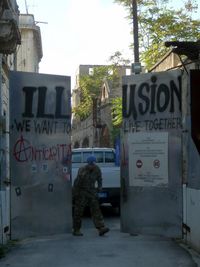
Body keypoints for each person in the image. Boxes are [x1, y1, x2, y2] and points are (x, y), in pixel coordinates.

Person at [72, 155, 110, 236]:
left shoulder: (97, 169)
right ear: (88, 164)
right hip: (81, 192)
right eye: (90, 164)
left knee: (96, 209)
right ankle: (76, 229)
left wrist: (100, 187)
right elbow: (76, 183)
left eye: (93, 164)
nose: (92, 166)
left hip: (92, 192)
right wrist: (76, 193)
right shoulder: (82, 169)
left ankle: (101, 228)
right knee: (78, 211)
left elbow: (99, 179)